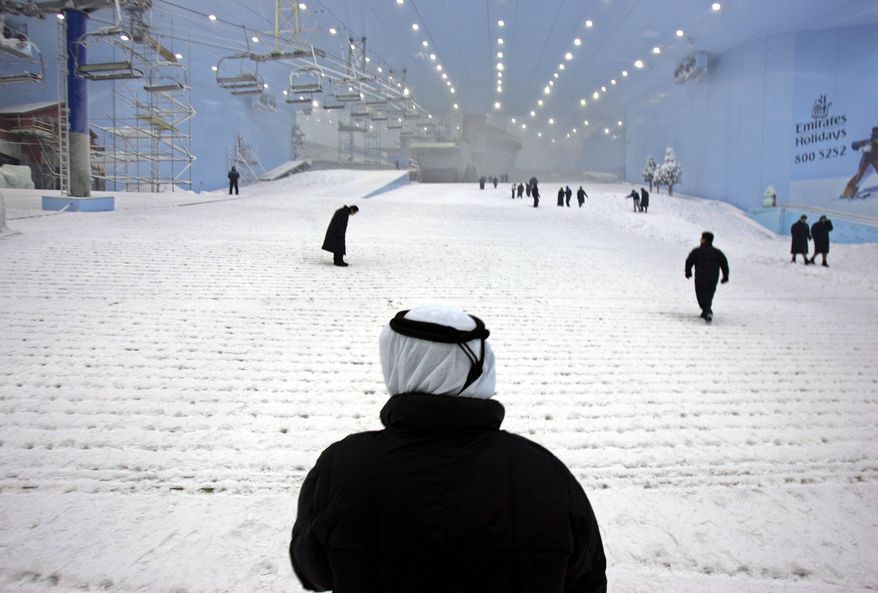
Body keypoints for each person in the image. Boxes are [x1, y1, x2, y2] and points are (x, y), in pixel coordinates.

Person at [289, 304, 608, 593]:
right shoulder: (546, 474)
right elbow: (587, 581)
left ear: (401, 365)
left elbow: (313, 571)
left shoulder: (343, 467)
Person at [685, 232, 729, 324]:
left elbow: (689, 261)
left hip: (701, 276)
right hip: (713, 277)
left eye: (701, 238)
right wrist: (725, 276)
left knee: (701, 294)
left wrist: (688, 271)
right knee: (709, 293)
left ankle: (707, 311)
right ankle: (706, 309)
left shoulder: (697, 251)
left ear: (704, 239)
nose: (700, 239)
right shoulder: (718, 252)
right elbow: (724, 264)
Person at [841, 126, 878, 199]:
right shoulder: (868, 142)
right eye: (876, 137)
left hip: (876, 159)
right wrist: (861, 148)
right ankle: (846, 193)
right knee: (860, 175)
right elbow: (854, 144)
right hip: (866, 159)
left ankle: (852, 190)